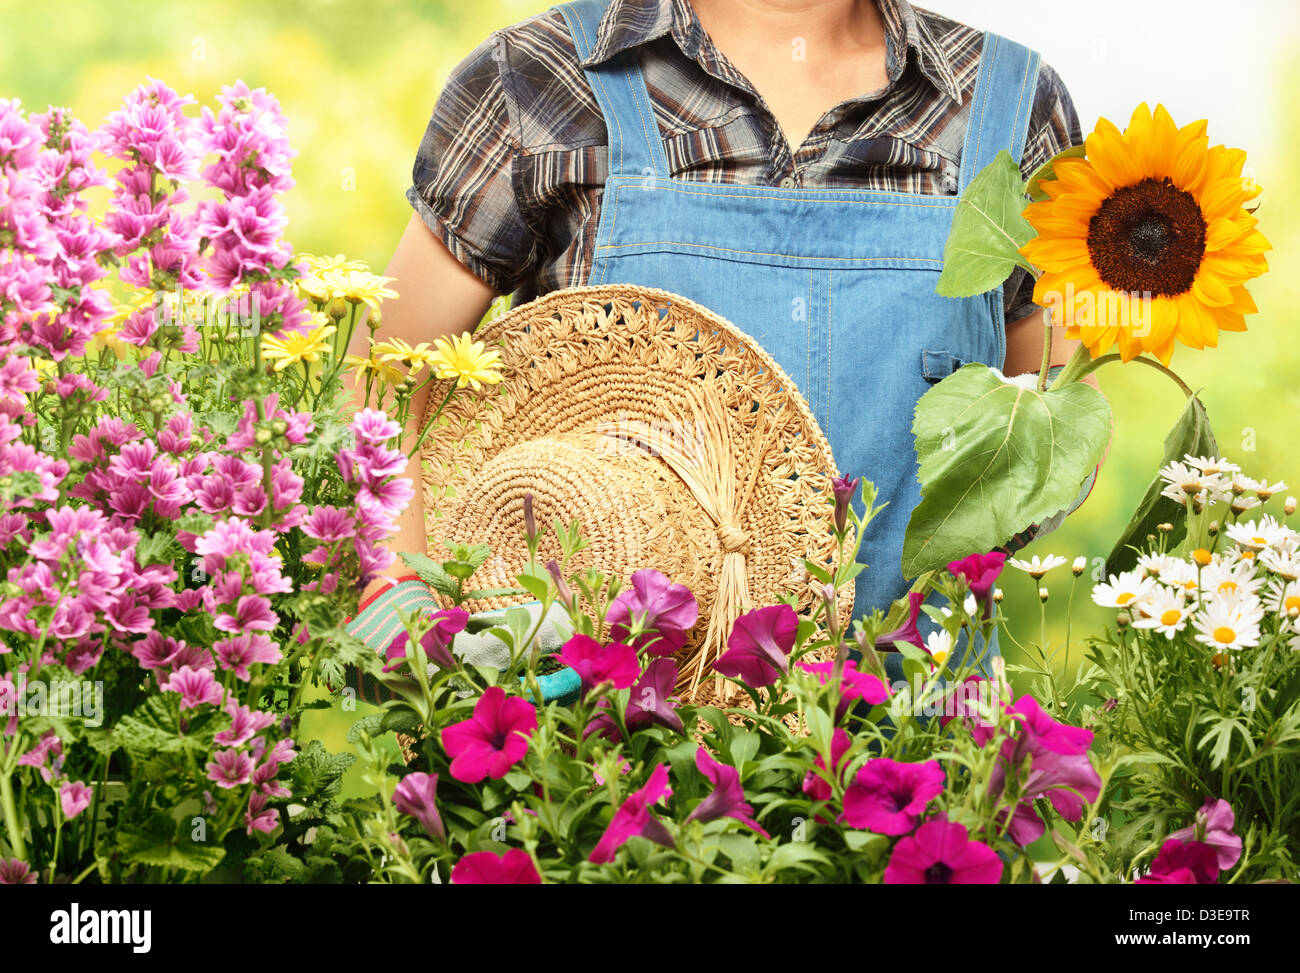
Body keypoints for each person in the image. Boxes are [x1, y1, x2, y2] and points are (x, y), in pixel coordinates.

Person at [345, 0, 1098, 684]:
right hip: (595, 758)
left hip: (915, 768)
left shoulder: (1010, 106)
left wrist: (1050, 455)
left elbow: (1050, 431)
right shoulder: (541, 80)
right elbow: (378, 385)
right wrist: (410, 627)